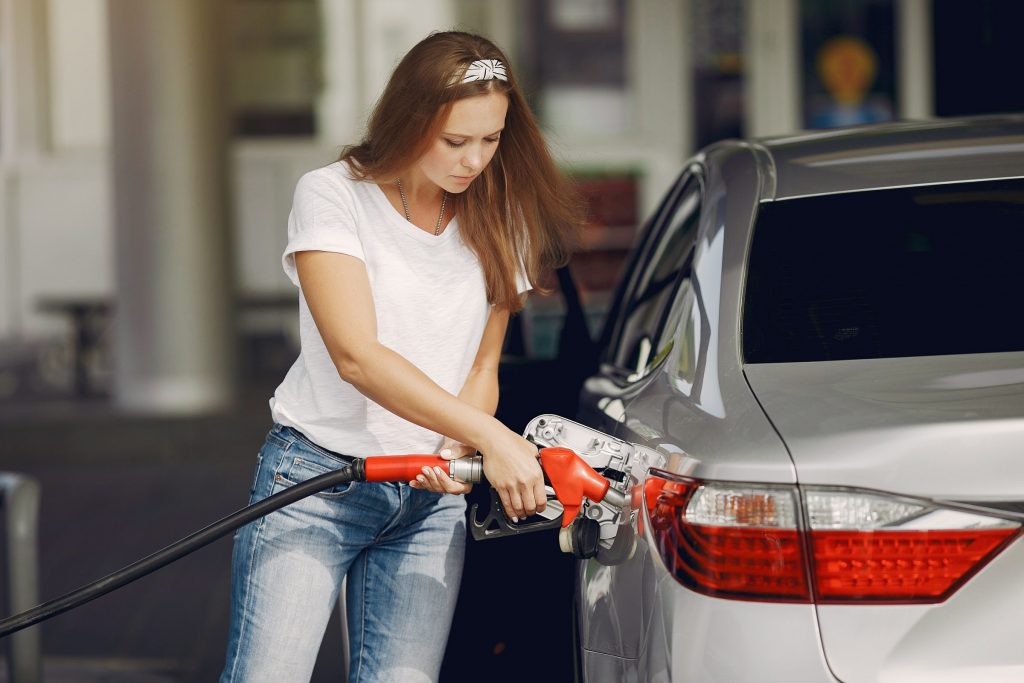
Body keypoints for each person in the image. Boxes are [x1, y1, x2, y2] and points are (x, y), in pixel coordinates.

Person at [220, 30, 583, 682]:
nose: (474, 159)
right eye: (455, 141)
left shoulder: (504, 210)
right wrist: (489, 439)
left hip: (430, 503)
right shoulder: (333, 195)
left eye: (492, 138)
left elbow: (481, 367)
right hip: (318, 482)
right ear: (410, 121)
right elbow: (356, 355)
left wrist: (453, 453)